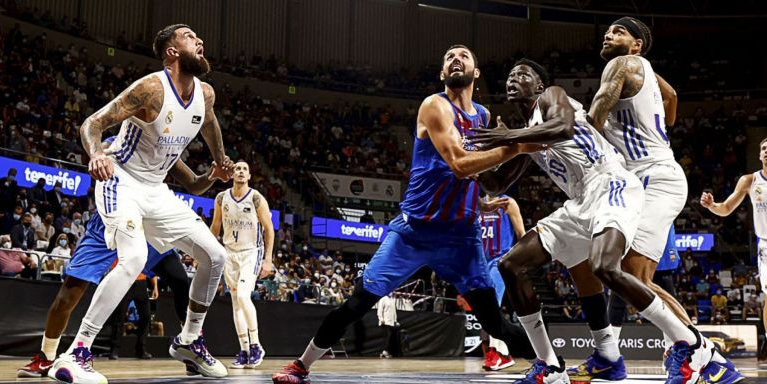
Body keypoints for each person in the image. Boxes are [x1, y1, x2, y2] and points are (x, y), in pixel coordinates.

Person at [272, 45, 535, 384]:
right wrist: (518, 145)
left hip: (460, 236)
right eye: (449, 57)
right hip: (413, 233)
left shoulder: (482, 117)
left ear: (477, 72)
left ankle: (551, 363)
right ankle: (301, 365)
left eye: (464, 56)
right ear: (442, 74)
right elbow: (457, 163)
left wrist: (478, 200)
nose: (456, 59)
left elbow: (472, 172)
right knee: (357, 302)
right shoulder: (434, 105)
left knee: (494, 321)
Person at [469, 58, 712, 384]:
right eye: (510, 76)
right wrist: (467, 157)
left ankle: (689, 341)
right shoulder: (527, 135)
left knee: (605, 267)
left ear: (538, 85)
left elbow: (563, 127)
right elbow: (496, 184)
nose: (513, 79)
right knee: (511, 265)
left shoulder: (551, 97)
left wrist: (508, 136)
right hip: (580, 203)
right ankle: (551, 365)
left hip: (612, 184)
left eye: (522, 74)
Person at [49, 23, 234, 383]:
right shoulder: (151, 88)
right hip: (120, 178)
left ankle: (189, 341)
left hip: (155, 190)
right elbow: (92, 123)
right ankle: (75, 355)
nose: (200, 40)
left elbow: (210, 126)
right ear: (172, 52)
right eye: (190, 37)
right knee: (133, 258)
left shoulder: (205, 94)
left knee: (215, 256)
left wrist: (220, 163)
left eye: (199, 36)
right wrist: (97, 154)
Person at [17, 154, 228, 379]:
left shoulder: (165, 143)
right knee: (70, 292)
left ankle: (191, 343)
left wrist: (212, 175)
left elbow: (195, 184)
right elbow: (97, 146)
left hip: (150, 220)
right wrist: (98, 158)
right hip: (112, 218)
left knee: (179, 279)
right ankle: (47, 357)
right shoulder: (119, 142)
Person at [701, 136, 767, 352]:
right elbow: (726, 208)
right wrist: (712, 206)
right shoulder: (749, 180)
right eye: (764, 148)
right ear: (759, 155)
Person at [210, 161, 275, 369]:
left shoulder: (256, 198)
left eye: (244, 169)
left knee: (243, 296)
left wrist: (268, 259)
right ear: (231, 174)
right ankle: (245, 350)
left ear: (249, 176)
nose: (240, 171)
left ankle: (256, 345)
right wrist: (209, 250)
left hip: (250, 253)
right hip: (230, 253)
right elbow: (216, 226)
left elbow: (269, 229)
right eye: (237, 168)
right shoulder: (221, 198)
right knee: (236, 304)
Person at [478, 195, 524, 371]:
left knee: (491, 306)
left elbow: (521, 234)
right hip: (482, 261)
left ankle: (497, 352)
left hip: (500, 259)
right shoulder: (478, 204)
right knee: (484, 308)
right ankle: (503, 353)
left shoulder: (508, 202)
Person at [377, 293, 398, 359]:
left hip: (391, 322)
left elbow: (394, 311)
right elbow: (379, 310)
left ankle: (383, 352)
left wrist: (395, 320)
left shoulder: (393, 299)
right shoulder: (383, 299)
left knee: (389, 338)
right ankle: (384, 352)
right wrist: (381, 319)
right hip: (385, 322)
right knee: (386, 337)